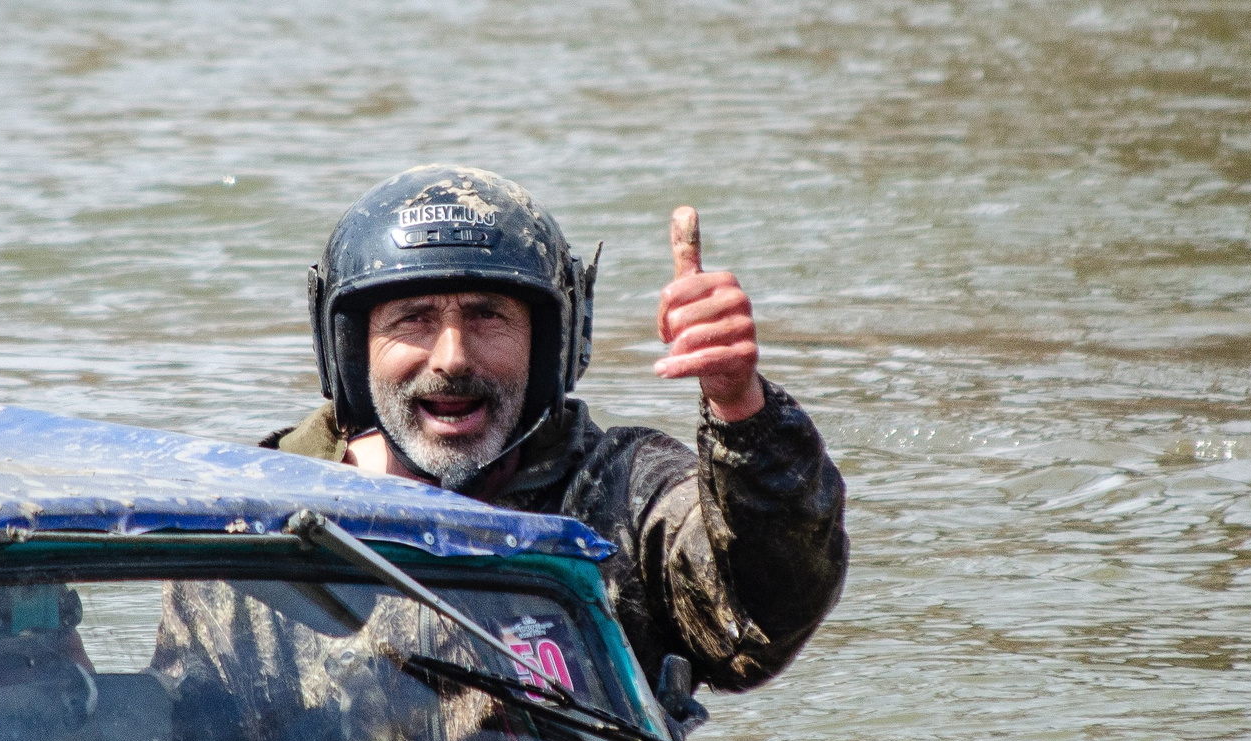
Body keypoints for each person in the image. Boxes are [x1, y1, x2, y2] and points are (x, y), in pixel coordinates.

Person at [261, 163, 848, 698]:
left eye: (488, 315)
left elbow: (759, 616)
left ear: (549, 349)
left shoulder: (622, 497)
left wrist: (740, 404)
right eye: (412, 319)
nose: (453, 358)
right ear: (352, 353)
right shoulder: (264, 522)